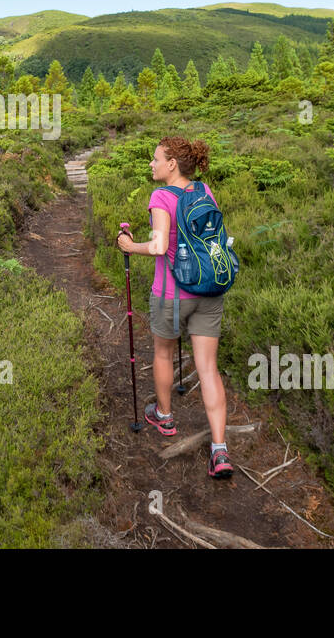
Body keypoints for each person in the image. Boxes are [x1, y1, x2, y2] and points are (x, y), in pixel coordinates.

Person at [117, 136, 233, 479]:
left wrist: (127, 245)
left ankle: (164, 416)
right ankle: (219, 450)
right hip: (210, 290)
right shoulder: (203, 190)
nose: (151, 165)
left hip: (171, 294)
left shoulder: (161, 197)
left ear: (171, 164)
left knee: (164, 354)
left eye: (155, 159)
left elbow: (157, 247)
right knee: (208, 368)